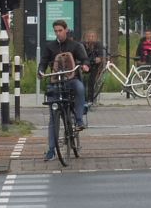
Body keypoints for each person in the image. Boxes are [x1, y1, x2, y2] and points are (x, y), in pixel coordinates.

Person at [38, 19, 90, 161]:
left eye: (60, 30)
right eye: (55, 31)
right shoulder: (50, 47)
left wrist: (85, 66)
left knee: (79, 88)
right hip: (56, 82)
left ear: (66, 30)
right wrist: (40, 71)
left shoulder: (75, 45)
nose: (58, 33)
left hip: (71, 80)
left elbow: (84, 59)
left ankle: (79, 120)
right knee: (53, 117)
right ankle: (51, 150)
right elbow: (43, 62)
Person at [81, 29, 108, 104]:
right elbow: (81, 56)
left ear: (96, 37)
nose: (91, 38)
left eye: (93, 36)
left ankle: (90, 99)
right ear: (86, 37)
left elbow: (100, 57)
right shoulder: (83, 45)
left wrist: (99, 59)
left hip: (94, 66)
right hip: (85, 65)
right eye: (89, 36)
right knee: (82, 80)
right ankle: (83, 98)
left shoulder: (98, 45)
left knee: (91, 81)